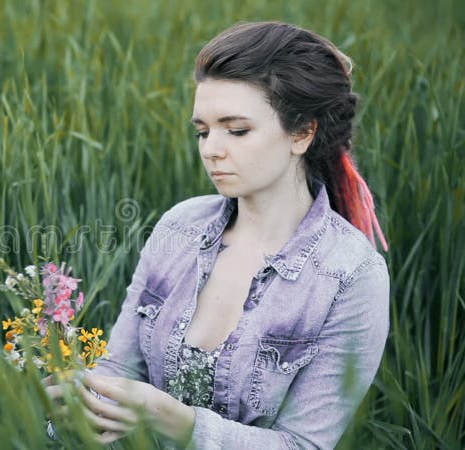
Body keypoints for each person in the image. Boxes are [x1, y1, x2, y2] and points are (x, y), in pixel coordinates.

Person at [45, 21, 390, 449]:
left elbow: (304, 445)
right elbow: (120, 370)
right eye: (203, 131)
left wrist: (178, 422)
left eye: (237, 130)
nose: (211, 149)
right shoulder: (179, 228)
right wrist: (75, 406)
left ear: (302, 132)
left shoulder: (351, 275)